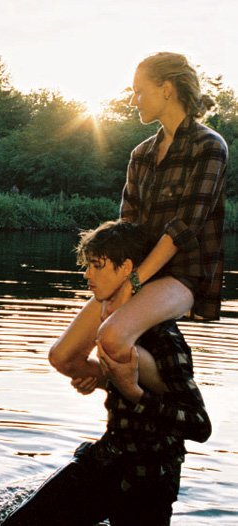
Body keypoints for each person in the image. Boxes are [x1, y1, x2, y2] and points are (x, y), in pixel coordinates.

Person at [1, 220, 211, 526]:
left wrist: (133, 392)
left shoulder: (163, 337)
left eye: (97, 266)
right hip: (107, 461)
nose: (87, 275)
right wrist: (105, 380)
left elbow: (199, 425)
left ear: (126, 268)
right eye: (87, 266)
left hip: (149, 483)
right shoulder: (113, 326)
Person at [49, 52, 228, 381]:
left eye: (139, 91)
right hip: (137, 270)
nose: (133, 101)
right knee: (63, 356)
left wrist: (131, 283)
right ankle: (120, 388)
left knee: (112, 338)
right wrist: (118, 280)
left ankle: (173, 399)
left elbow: (183, 229)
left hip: (184, 275)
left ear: (167, 89)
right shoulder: (141, 154)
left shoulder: (209, 147)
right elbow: (127, 229)